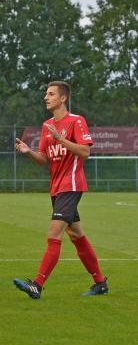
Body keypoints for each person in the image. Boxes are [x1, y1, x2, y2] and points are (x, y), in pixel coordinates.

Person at [13, 80, 108, 299]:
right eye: (46, 94)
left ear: (63, 98)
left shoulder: (76, 121)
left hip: (71, 184)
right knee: (76, 234)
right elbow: (43, 159)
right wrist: (28, 151)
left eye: (51, 94)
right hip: (56, 188)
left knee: (53, 234)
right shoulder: (47, 125)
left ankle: (37, 285)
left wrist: (61, 139)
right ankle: (100, 282)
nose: (46, 97)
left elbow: (84, 152)